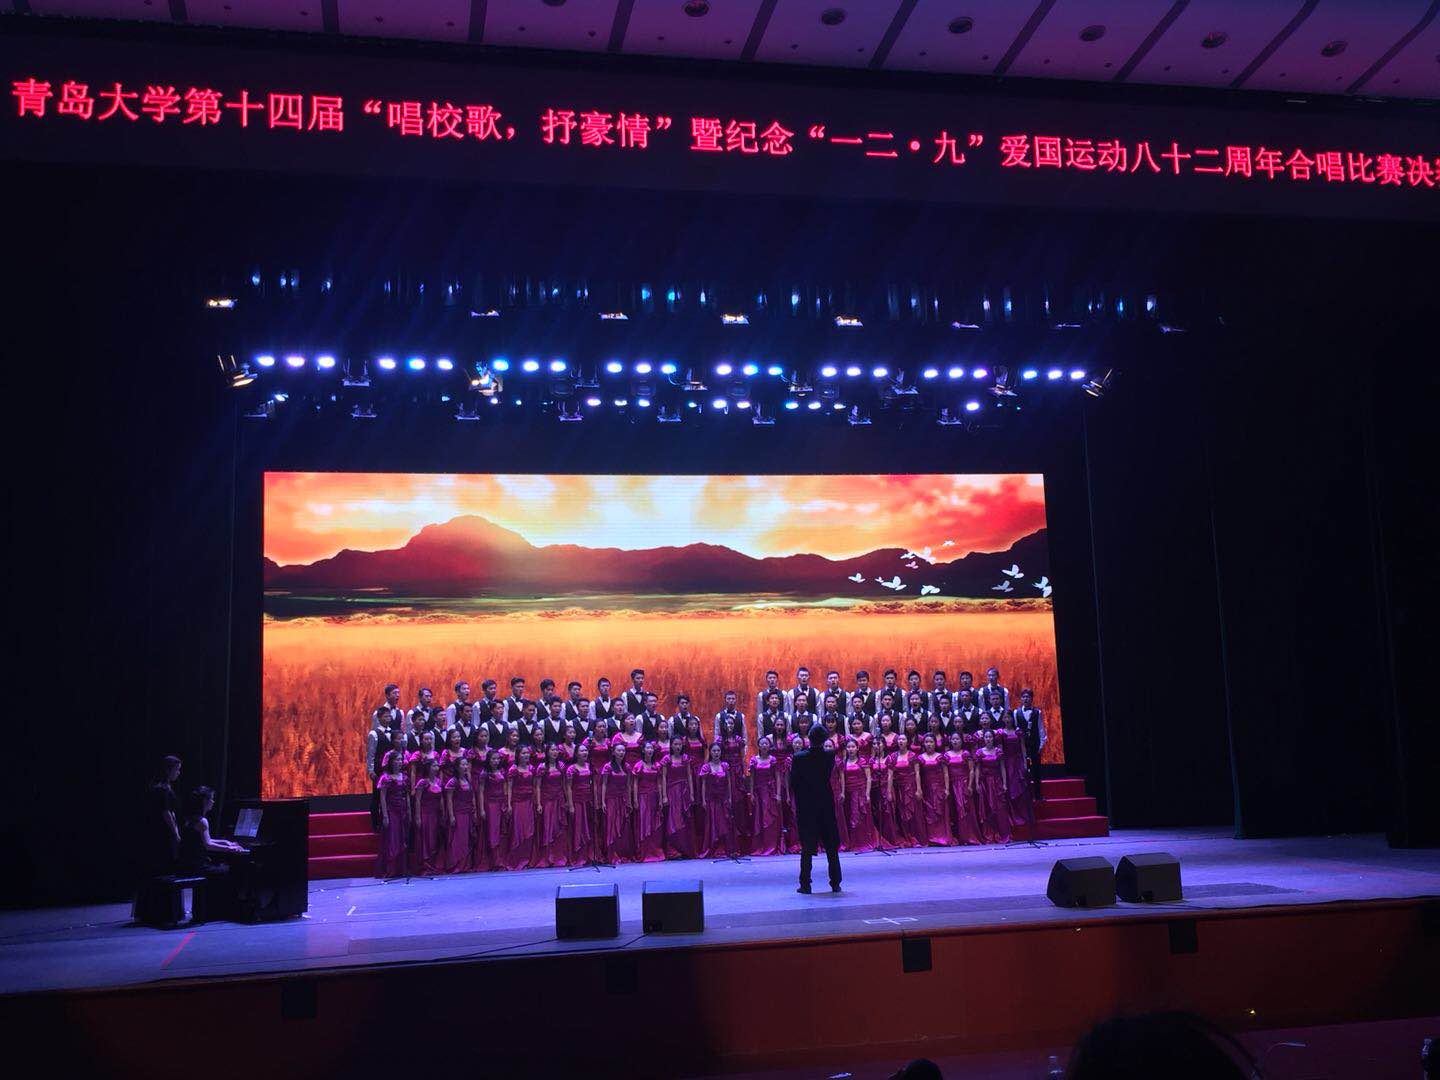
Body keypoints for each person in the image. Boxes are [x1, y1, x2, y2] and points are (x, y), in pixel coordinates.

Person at [177, 786, 246, 921]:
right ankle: (219, 911)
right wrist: (231, 849)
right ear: (204, 801)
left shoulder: (191, 818)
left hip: (187, 862)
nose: (213, 802)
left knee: (222, 867)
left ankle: (211, 910)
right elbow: (208, 845)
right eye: (212, 799)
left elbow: (206, 840)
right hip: (197, 866)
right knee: (230, 870)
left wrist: (226, 842)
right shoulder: (202, 821)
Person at [790, 723, 842, 894]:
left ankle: (805, 884)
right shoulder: (829, 756)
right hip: (825, 804)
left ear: (809, 739)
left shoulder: (799, 757)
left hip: (807, 805)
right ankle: (835, 882)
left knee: (807, 847)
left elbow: (794, 783)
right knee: (831, 847)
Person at [367, 683, 405, 828]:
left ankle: (391, 822)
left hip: (393, 763)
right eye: (395, 693)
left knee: (392, 793)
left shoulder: (400, 713)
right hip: (379, 765)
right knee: (378, 794)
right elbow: (371, 750)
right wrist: (371, 770)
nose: (397, 695)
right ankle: (375, 823)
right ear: (387, 695)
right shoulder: (376, 723)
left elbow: (401, 733)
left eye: (398, 693)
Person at [375, 749, 411, 878]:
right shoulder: (386, 778)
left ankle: (401, 869)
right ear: (391, 762)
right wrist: (385, 815)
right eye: (397, 759)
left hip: (403, 811)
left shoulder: (405, 777)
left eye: (401, 759)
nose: (400, 762)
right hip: (391, 812)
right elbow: (382, 797)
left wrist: (409, 811)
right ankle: (391, 869)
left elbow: (407, 796)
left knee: (402, 838)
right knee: (393, 839)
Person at [145, 755, 183, 875]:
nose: (178, 773)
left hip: (162, 829)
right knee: (165, 862)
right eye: (176, 769)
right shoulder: (163, 789)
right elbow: (166, 812)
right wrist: (175, 833)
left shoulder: (163, 787)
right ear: (167, 770)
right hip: (163, 831)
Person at [533, 742, 570, 868]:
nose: (555, 752)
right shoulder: (542, 767)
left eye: (556, 750)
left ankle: (559, 856)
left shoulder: (561, 766)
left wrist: (567, 800)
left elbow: (564, 784)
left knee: (559, 827)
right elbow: (537, 786)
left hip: (559, 800)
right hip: (547, 800)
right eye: (552, 750)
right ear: (547, 752)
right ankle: (548, 857)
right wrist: (538, 803)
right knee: (548, 827)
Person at [660, 736, 696, 860]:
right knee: (673, 820)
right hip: (672, 792)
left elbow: (689, 776)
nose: (677, 746)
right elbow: (663, 777)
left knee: (684, 819)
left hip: (684, 792)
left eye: (679, 744)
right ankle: (673, 851)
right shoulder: (666, 759)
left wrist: (691, 793)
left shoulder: (685, 758)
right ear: (671, 745)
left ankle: (685, 849)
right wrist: (664, 796)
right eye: (675, 744)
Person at [748, 736, 784, 857]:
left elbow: (777, 777)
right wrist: (751, 793)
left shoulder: (773, 759)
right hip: (758, 793)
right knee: (759, 820)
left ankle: (771, 845)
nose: (764, 746)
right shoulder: (754, 760)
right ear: (758, 746)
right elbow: (752, 778)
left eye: (766, 744)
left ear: (769, 746)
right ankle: (760, 846)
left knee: (770, 819)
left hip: (771, 792)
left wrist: (778, 794)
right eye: (762, 744)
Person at [503, 745, 538, 870]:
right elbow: (509, 788)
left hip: (529, 802)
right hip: (517, 803)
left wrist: (536, 802)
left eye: (527, 753)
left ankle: (526, 859)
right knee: (518, 830)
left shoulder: (532, 768)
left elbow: (535, 786)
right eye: (523, 753)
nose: (526, 755)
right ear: (518, 755)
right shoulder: (513, 770)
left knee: (529, 830)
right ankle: (516, 859)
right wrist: (508, 804)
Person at [840, 738, 877, 853]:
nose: (851, 749)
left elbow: (869, 778)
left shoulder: (862, 761)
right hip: (848, 794)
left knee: (860, 817)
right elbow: (841, 779)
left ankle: (863, 842)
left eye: (853, 747)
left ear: (857, 748)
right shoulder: (843, 762)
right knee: (850, 817)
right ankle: (853, 842)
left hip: (860, 793)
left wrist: (867, 794)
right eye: (848, 747)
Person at [972, 730, 1010, 844]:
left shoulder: (998, 751)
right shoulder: (980, 752)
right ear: (983, 739)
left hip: (997, 782)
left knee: (999, 808)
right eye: (986, 737)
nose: (988, 739)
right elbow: (977, 768)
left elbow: (1002, 768)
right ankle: (989, 834)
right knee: (987, 807)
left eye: (990, 737)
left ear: (993, 738)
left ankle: (1002, 833)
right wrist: (977, 783)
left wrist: (1004, 783)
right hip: (985, 784)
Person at [944, 731, 981, 845]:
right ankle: (958, 837)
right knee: (954, 811)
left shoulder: (965, 753)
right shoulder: (947, 755)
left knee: (965, 810)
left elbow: (971, 770)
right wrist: (947, 788)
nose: (955, 741)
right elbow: (945, 773)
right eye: (953, 739)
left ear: (961, 741)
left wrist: (970, 785)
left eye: (957, 739)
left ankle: (968, 836)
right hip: (952, 785)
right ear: (950, 741)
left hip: (964, 784)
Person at [631, 741, 665, 863]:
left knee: (655, 824)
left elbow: (659, 783)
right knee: (644, 823)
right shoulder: (638, 766)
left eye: (651, 748)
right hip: (643, 797)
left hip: (654, 796)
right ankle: (644, 852)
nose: (650, 750)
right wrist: (635, 800)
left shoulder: (657, 765)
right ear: (643, 750)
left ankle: (655, 851)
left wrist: (661, 798)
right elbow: (635, 784)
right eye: (648, 748)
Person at [599, 742, 634, 864]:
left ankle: (622, 853)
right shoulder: (608, 767)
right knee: (612, 825)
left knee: (623, 825)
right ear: (613, 752)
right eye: (619, 750)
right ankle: (611, 854)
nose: (621, 753)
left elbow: (628, 785)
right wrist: (603, 801)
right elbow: (604, 784)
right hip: (611, 799)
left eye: (623, 751)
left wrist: (629, 801)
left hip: (622, 799)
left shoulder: (627, 767)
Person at [697, 742, 733, 858]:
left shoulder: (725, 765)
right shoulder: (706, 767)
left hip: (723, 799)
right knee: (713, 824)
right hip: (711, 800)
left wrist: (730, 797)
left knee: (725, 823)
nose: (716, 753)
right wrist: (703, 800)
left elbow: (728, 783)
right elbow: (703, 784)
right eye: (714, 751)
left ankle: (725, 848)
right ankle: (714, 848)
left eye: (718, 751)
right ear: (710, 752)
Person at [444, 758, 479, 874]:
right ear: (457, 767)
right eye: (462, 765)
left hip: (468, 812)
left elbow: (472, 796)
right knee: (458, 839)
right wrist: (451, 816)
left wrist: (474, 811)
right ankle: (456, 864)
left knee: (466, 839)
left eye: (466, 765)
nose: (465, 767)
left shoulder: (468, 780)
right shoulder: (453, 782)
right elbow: (449, 800)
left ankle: (465, 865)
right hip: (458, 813)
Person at [917, 734, 953, 846]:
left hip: (939, 788)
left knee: (940, 812)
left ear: (935, 743)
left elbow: (946, 773)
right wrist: (919, 789)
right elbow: (917, 774)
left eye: (931, 742)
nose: (929, 744)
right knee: (929, 813)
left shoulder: (940, 757)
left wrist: (947, 788)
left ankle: (942, 837)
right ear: (923, 744)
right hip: (926, 788)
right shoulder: (920, 758)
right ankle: (931, 838)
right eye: (926, 742)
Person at [566, 744, 599, 865]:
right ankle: (578, 856)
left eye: (586, 750)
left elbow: (594, 785)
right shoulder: (571, 769)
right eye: (581, 751)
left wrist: (596, 800)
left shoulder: (590, 767)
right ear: (576, 754)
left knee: (590, 828)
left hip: (589, 800)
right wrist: (570, 805)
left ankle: (590, 855)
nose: (584, 753)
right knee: (579, 827)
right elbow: (568, 787)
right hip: (577, 801)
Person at [412, 759, 446, 876]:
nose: (437, 768)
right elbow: (417, 800)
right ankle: (425, 865)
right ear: (428, 768)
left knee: (434, 839)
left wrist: (443, 812)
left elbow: (441, 798)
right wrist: (418, 817)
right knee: (426, 839)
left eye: (437, 766)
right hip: (425, 814)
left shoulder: (439, 781)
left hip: (436, 814)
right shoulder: (422, 782)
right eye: (434, 766)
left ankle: (434, 864)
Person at [890, 734, 923, 848]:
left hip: (911, 787)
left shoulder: (913, 755)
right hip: (898, 788)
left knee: (913, 812)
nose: (901, 741)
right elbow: (890, 775)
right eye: (899, 739)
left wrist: (919, 789)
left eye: (903, 739)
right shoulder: (893, 756)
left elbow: (917, 773)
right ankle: (905, 836)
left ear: (907, 741)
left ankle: (915, 837)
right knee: (901, 813)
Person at [1012, 688, 1046, 800]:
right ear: (1021, 699)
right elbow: (1016, 729)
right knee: (1023, 771)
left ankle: (1038, 795)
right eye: (1024, 697)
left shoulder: (1037, 712)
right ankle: (1026, 797)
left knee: (1036, 771)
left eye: (1028, 697)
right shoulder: (1016, 712)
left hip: (1035, 745)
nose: (1026, 699)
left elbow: (1041, 729)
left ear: (1031, 699)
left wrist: (1041, 745)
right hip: (1022, 746)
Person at [480, 749, 507, 871]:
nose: (496, 761)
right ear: (488, 760)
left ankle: (501, 859)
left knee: (501, 831)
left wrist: (506, 803)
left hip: (501, 803)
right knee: (493, 832)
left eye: (497, 759)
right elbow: (480, 791)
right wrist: (481, 809)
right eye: (493, 759)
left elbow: (504, 788)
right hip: (490, 805)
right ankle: (494, 862)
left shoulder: (502, 771)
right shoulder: (484, 773)